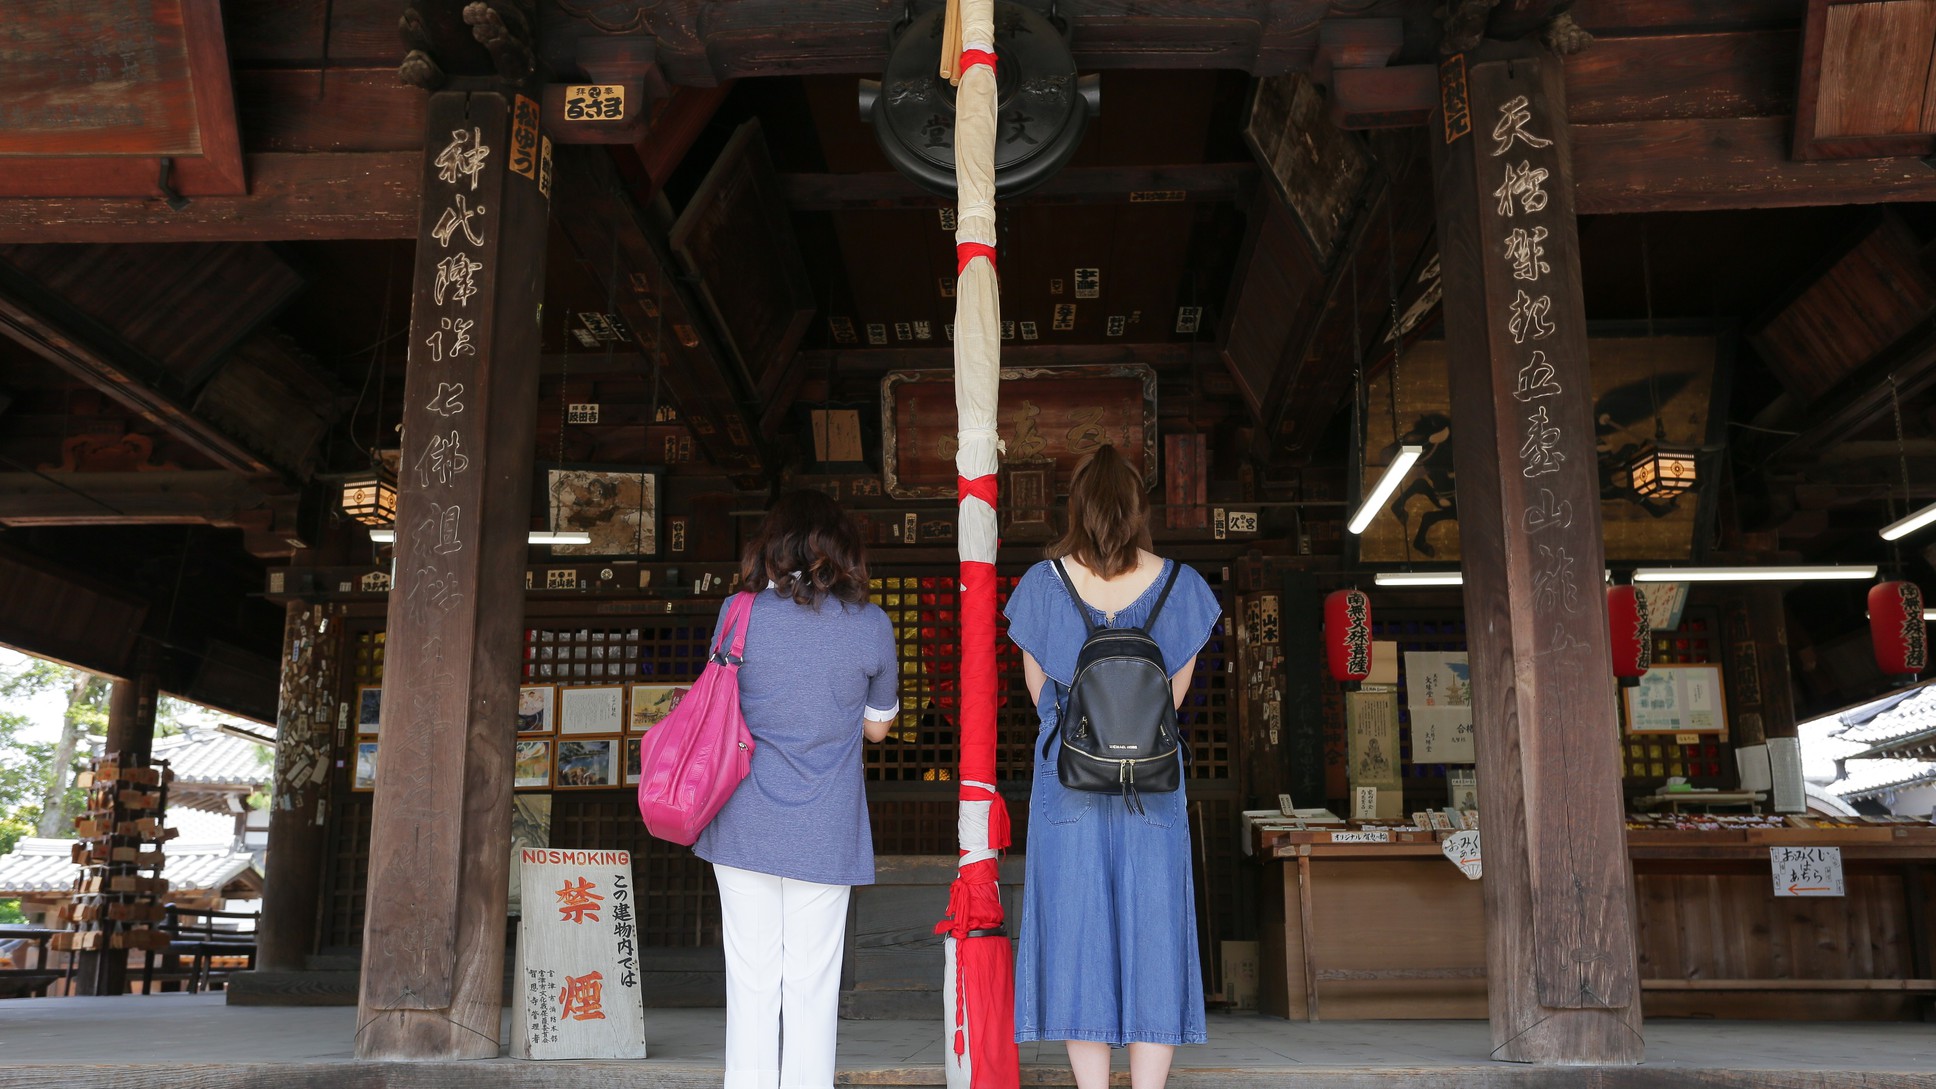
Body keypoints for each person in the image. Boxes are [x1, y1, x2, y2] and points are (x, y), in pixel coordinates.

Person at [1003, 444, 1222, 1089]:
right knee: (1155, 925)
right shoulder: (1182, 586)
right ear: (1137, 509)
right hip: (1151, 786)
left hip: (1067, 786)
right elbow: (1173, 699)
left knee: (1076, 931)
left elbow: (1041, 696)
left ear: (1075, 509)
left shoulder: (1042, 586)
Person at [693, 490, 899, 1089]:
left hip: (742, 822)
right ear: (845, 552)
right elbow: (879, 728)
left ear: (773, 547)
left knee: (752, 979)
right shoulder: (872, 625)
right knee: (812, 983)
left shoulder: (738, 612)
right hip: (824, 826)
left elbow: (720, 698)